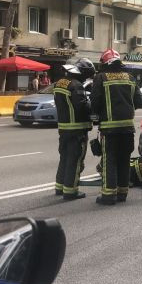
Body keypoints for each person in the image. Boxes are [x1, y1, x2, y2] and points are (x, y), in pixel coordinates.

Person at [91, 49, 142, 205]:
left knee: (110, 161)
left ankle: (108, 195)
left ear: (105, 63)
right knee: (124, 160)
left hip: (109, 129)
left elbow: (95, 101)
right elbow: (139, 102)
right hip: (128, 128)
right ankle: (122, 193)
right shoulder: (130, 78)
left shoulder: (101, 78)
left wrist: (95, 119)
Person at [53, 58, 95, 200]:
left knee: (64, 158)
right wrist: (92, 105)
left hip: (63, 129)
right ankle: (71, 191)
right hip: (77, 129)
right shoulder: (76, 85)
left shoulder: (60, 83)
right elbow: (82, 107)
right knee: (75, 160)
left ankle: (60, 187)